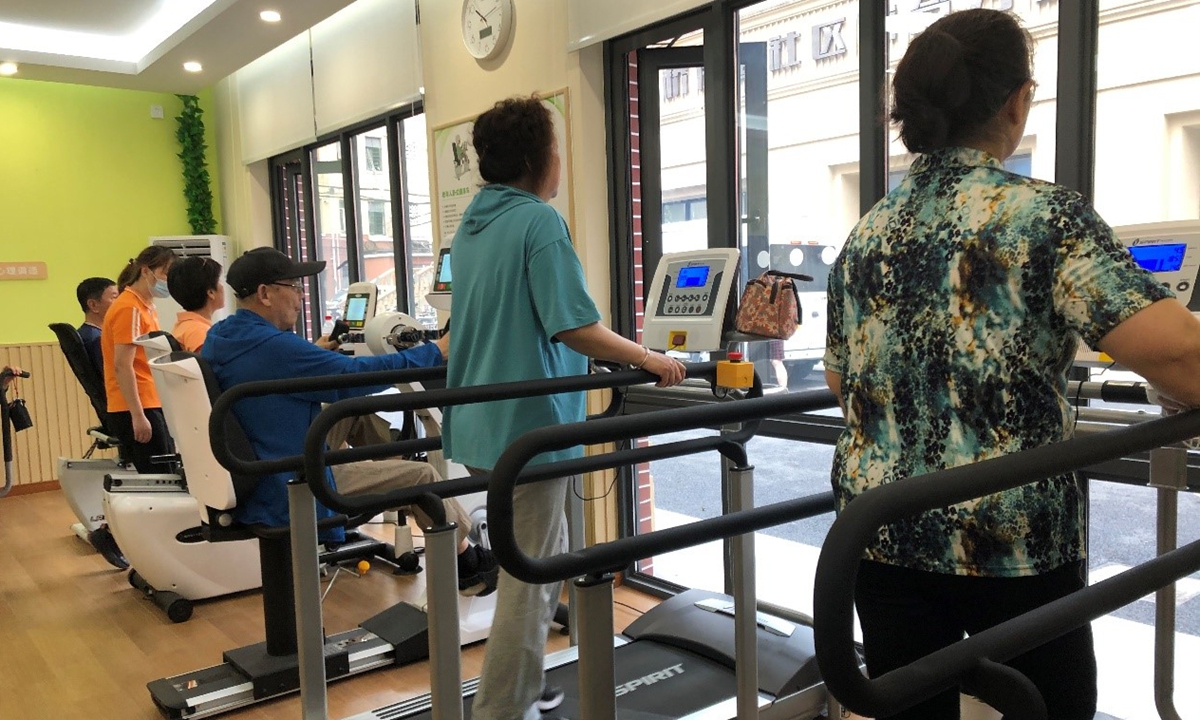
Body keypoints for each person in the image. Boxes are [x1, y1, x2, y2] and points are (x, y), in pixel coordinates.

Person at [823, 9, 1200, 720]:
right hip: (1012, 539)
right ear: (1017, 101)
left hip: (881, 534)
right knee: (1053, 708)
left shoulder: (867, 232)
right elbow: (1182, 354)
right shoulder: (1043, 217)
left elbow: (844, 383)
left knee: (912, 711)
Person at [443, 96, 687, 720]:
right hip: (528, 432)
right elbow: (574, 326)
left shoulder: (473, 224)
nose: (560, 161)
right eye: (555, 149)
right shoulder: (538, 221)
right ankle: (502, 708)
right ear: (537, 158)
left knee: (528, 569)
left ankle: (522, 686)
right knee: (531, 580)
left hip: (477, 426)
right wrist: (650, 357)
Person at [202, 247, 497, 595]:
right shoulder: (272, 346)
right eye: (294, 287)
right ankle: (469, 566)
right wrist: (436, 351)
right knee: (422, 475)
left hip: (265, 459)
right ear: (265, 294)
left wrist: (314, 356)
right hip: (292, 483)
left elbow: (287, 370)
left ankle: (390, 471)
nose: (301, 297)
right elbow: (353, 377)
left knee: (352, 410)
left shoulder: (223, 335)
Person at [102, 246, 177, 473]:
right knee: (160, 477)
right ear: (146, 271)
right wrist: (137, 415)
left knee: (167, 471)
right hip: (137, 405)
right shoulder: (129, 307)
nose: (168, 281)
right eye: (165, 273)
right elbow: (122, 365)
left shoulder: (146, 306)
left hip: (150, 400)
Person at [167, 256, 225, 353]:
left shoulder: (187, 325)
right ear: (211, 293)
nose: (223, 286)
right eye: (219, 280)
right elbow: (206, 362)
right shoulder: (198, 332)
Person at [76, 277, 118, 375]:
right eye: (114, 297)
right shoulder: (97, 340)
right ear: (93, 305)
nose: (120, 302)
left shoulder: (84, 333)